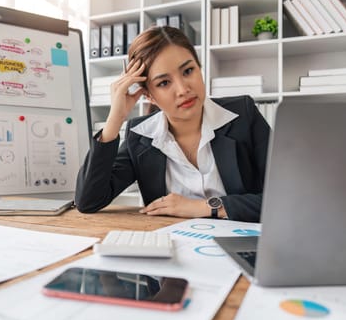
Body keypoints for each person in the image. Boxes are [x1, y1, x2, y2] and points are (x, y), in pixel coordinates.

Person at [75, 26, 270, 222]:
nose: (183, 89)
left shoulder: (243, 114)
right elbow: (88, 201)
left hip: (240, 244)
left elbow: (287, 196)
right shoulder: (141, 137)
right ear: (149, 95)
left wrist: (204, 207)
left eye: (188, 71)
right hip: (171, 245)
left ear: (199, 67)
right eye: (164, 83)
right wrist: (114, 120)